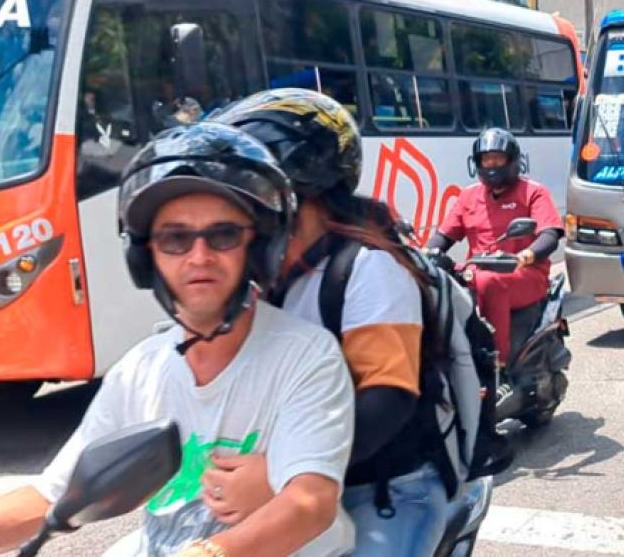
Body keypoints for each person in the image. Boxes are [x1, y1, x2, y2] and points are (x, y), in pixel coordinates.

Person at [0, 122, 357, 557]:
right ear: (144, 254)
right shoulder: (140, 371)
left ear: (260, 247)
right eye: (175, 238)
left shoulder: (305, 356)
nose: (199, 256)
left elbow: (309, 502)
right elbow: (49, 500)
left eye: (223, 235)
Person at [204, 89, 451, 557]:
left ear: (302, 187)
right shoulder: (264, 275)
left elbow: (388, 398)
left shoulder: (368, 269)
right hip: (293, 486)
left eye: (252, 192)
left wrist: (283, 469)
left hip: (385, 490)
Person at [425, 127, 564, 370]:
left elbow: (550, 235)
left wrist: (525, 256)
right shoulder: (468, 196)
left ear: (512, 161)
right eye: (485, 159)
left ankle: (496, 364)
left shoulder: (533, 192)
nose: (491, 164)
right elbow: (443, 236)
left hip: (524, 273)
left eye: (497, 158)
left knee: (490, 281)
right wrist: (422, 255)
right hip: (476, 271)